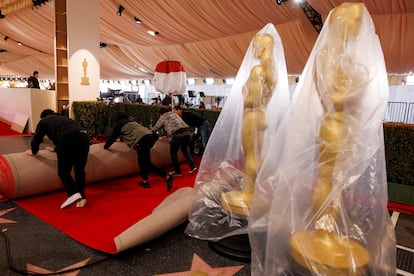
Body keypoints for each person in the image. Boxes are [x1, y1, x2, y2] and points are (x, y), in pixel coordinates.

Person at [25, 109, 90, 209]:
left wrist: (33, 151)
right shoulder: (65, 119)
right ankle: (83, 197)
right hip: (84, 137)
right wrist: (56, 149)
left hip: (68, 138)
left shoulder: (45, 121)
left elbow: (37, 138)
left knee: (63, 171)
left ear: (43, 117)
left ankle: (73, 193)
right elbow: (67, 136)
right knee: (79, 170)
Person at [103, 111, 174, 191]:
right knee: (142, 161)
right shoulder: (132, 122)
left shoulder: (120, 124)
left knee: (145, 163)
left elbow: (112, 137)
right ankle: (145, 182)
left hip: (142, 140)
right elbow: (131, 133)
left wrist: (105, 147)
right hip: (151, 137)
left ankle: (166, 176)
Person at [152, 108, 197, 176]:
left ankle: (178, 171)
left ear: (161, 114)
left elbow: (156, 128)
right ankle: (193, 166)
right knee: (184, 150)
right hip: (187, 133)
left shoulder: (163, 117)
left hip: (177, 135)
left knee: (173, 153)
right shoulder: (174, 114)